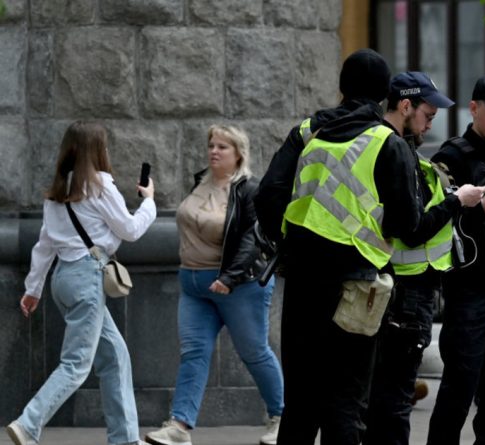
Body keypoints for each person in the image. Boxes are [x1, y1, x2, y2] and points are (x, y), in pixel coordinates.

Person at [254, 49, 421, 444]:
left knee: (300, 402)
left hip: (303, 282)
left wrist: (289, 240)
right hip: (358, 287)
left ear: (341, 88)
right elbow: (408, 224)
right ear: (385, 95)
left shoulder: (311, 133)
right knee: (345, 402)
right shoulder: (387, 142)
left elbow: (267, 195)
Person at [7, 121, 156, 445]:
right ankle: (28, 423)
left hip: (63, 280)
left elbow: (44, 246)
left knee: (116, 356)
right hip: (88, 279)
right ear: (98, 150)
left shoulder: (59, 190)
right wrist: (150, 203)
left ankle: (125, 439)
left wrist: (33, 289)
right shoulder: (101, 186)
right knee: (76, 364)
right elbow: (130, 230)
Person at [363, 72, 485, 445]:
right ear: (405, 106)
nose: (431, 122)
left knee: (376, 397)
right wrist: (457, 201)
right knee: (395, 398)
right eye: (427, 114)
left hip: (383, 283)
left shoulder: (371, 145)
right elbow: (411, 229)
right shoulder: (397, 151)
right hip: (406, 288)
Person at [145, 125, 283, 445]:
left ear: (239, 154)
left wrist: (229, 277)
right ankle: (179, 426)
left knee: (254, 352)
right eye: (211, 145)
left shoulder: (249, 189)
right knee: (193, 353)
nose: (214, 151)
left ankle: (281, 417)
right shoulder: (200, 182)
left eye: (223, 147)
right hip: (193, 285)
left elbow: (253, 239)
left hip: (239, 287)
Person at [425, 73, 485, 445]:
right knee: (459, 385)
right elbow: (432, 221)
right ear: (474, 109)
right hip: (470, 288)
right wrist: (477, 209)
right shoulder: (451, 156)